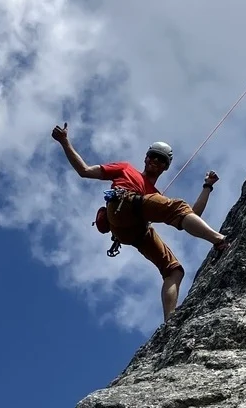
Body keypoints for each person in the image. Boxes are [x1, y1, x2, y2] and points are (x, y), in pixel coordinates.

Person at [52, 124, 229, 321]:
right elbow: (84, 171)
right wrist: (65, 142)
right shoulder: (126, 169)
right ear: (145, 158)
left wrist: (207, 186)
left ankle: (169, 323)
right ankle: (220, 241)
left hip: (133, 231)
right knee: (177, 206)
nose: (155, 160)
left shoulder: (155, 197)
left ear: (165, 166)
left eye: (161, 159)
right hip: (122, 205)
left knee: (174, 270)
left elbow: (192, 214)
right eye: (152, 156)